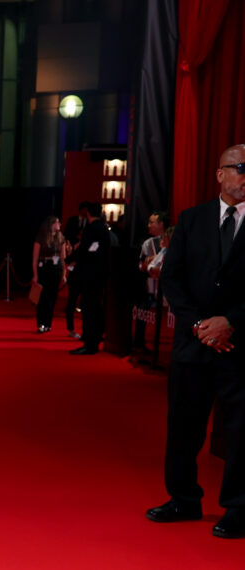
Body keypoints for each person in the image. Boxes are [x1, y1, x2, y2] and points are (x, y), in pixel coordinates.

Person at [146, 144, 245, 539]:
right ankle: (183, 499)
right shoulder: (191, 219)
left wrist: (230, 323)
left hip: (240, 346)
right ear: (220, 174)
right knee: (184, 428)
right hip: (194, 343)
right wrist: (201, 325)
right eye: (240, 167)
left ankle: (239, 508)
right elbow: (171, 279)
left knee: (241, 432)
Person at [67, 202, 110, 354]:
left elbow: (83, 249)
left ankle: (89, 343)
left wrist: (69, 259)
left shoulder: (90, 229)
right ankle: (94, 339)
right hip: (101, 275)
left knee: (88, 308)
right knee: (96, 308)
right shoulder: (104, 229)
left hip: (89, 275)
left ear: (88, 214)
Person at [134, 211, 168, 350]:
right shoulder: (148, 243)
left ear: (161, 224)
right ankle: (140, 343)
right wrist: (150, 262)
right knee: (144, 313)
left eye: (151, 222)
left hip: (167, 288)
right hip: (149, 287)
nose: (148, 225)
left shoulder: (174, 241)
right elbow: (142, 265)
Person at [32, 216, 67, 333]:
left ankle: (48, 323)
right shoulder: (41, 238)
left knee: (52, 297)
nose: (59, 224)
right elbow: (35, 258)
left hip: (56, 269)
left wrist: (64, 274)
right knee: (42, 297)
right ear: (51, 224)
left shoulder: (60, 238)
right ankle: (41, 323)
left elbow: (63, 258)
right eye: (57, 222)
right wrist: (35, 275)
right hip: (43, 267)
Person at [64, 201, 90, 338]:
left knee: (83, 303)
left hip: (83, 275)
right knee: (72, 302)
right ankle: (71, 329)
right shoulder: (76, 246)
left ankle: (84, 330)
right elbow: (68, 259)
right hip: (76, 276)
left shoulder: (84, 247)